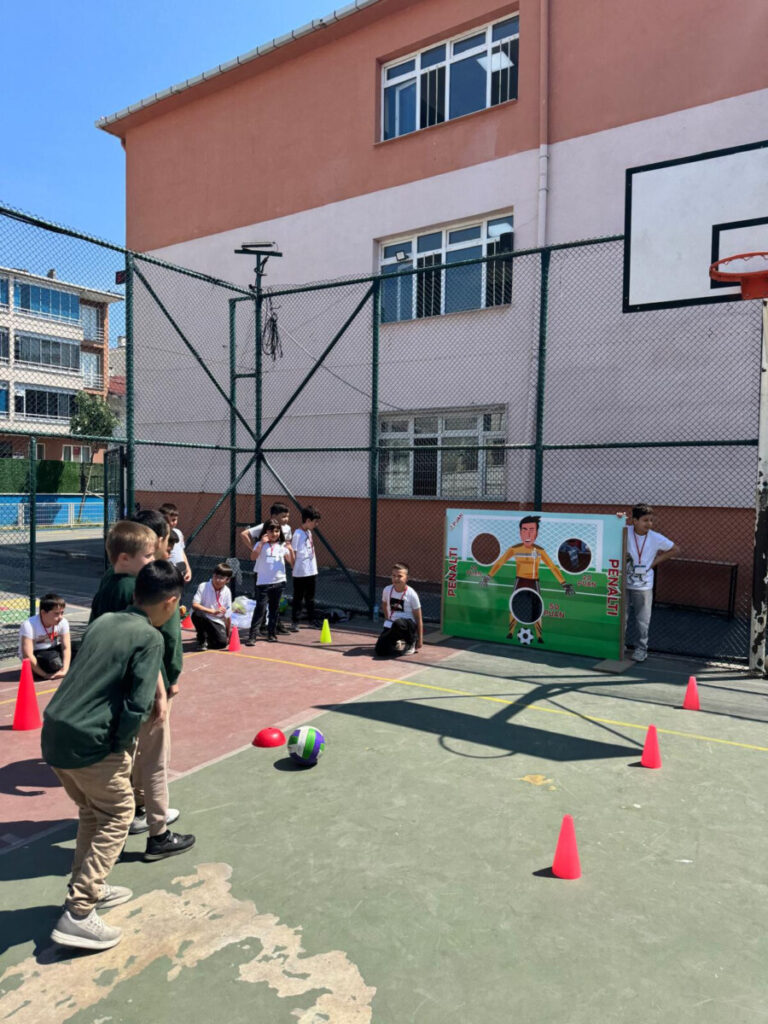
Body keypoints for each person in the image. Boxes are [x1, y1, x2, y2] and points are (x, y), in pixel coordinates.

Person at [42, 561, 182, 952]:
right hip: (94, 742)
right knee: (119, 813)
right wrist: (122, 746)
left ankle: (88, 887)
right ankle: (80, 912)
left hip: (54, 734)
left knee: (92, 812)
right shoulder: (150, 638)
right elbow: (139, 704)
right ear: (170, 603)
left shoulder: (104, 622)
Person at [484, 515, 575, 643]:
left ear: (537, 533)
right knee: (514, 606)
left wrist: (563, 583)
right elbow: (500, 562)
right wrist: (488, 577)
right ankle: (510, 632)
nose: (528, 533)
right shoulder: (514, 549)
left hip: (534, 582)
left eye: (531, 530)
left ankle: (539, 636)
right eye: (524, 529)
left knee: (537, 607)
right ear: (520, 532)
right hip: (519, 581)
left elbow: (552, 567)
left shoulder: (539, 551)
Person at [625, 503, 679, 662]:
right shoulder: (624, 531)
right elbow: (611, 527)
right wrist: (618, 518)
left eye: (651, 520)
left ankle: (641, 649)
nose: (649, 524)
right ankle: (620, 646)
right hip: (623, 583)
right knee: (622, 617)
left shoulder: (655, 537)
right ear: (634, 520)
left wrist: (653, 563)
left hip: (644, 585)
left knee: (642, 619)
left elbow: (675, 549)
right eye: (645, 520)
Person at [240, 502, 292, 634]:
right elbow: (244, 534)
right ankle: (260, 626)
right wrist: (255, 548)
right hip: (263, 571)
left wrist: (290, 557)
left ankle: (275, 625)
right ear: (274, 516)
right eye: (283, 516)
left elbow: (288, 547)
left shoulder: (286, 529)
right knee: (262, 602)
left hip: (277, 572)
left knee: (276, 602)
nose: (286, 519)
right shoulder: (265, 527)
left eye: (287, 516)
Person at [375, 564, 423, 657]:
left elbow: (418, 618)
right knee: (380, 651)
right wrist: (387, 619)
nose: (396, 578)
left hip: (408, 625)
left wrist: (420, 640)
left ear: (407, 578)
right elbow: (384, 604)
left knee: (399, 623)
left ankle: (411, 641)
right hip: (393, 625)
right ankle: (396, 642)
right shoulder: (387, 590)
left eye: (400, 576)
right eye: (393, 575)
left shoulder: (412, 594)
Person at [19, 592, 71, 680]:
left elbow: (66, 647)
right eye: (56, 613)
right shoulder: (29, 625)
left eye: (62, 613)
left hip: (53, 650)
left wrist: (65, 669)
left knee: (79, 648)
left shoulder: (63, 622)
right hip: (38, 653)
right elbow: (27, 655)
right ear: (43, 613)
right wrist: (45, 675)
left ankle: (61, 667)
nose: (61, 617)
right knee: (53, 661)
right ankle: (41, 669)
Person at [290, 506, 321, 631]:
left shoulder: (308, 532)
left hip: (311, 570)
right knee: (298, 596)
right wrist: (294, 566)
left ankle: (312, 620)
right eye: (315, 522)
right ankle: (295, 621)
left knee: (310, 597)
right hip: (300, 571)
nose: (316, 524)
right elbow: (293, 552)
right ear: (308, 520)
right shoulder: (297, 534)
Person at [191, 562, 233, 650]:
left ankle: (208, 639)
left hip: (217, 621)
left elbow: (228, 616)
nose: (217, 580)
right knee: (197, 613)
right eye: (215, 576)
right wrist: (212, 611)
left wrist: (228, 635)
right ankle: (202, 638)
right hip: (204, 617)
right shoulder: (203, 586)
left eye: (221, 578)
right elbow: (195, 604)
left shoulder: (227, 592)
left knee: (222, 643)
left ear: (227, 580)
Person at [160, 502, 192, 582]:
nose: (171, 523)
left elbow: (182, 552)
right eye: (167, 520)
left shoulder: (178, 533)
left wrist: (188, 570)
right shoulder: (160, 534)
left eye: (174, 520)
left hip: (181, 572)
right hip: (166, 573)